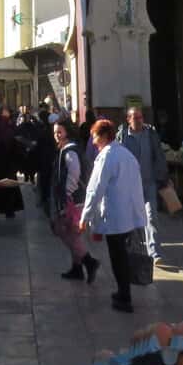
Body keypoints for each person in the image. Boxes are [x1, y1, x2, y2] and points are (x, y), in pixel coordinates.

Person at [79, 119, 147, 313]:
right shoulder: (127, 155)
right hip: (129, 216)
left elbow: (95, 190)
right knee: (122, 256)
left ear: (104, 136)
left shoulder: (106, 157)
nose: (93, 142)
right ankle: (123, 292)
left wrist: (85, 217)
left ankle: (124, 296)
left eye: (95, 137)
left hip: (115, 216)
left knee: (118, 258)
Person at [116, 107, 168, 263]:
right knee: (132, 219)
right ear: (128, 119)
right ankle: (135, 248)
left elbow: (158, 155)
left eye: (140, 117)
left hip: (148, 182)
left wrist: (163, 176)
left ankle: (154, 252)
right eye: (135, 117)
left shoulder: (150, 134)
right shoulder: (122, 136)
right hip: (129, 185)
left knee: (151, 216)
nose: (139, 120)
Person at [51, 120, 100, 282]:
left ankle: (89, 262)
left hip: (73, 200)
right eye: (55, 132)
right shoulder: (68, 149)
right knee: (72, 233)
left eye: (60, 132)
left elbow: (74, 173)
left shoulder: (69, 151)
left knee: (68, 233)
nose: (57, 135)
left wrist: (67, 193)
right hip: (75, 198)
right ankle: (77, 268)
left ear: (67, 133)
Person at [0, 105, 25, 219]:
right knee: (8, 188)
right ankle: (9, 211)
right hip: (8, 166)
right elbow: (17, 147)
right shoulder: (10, 130)